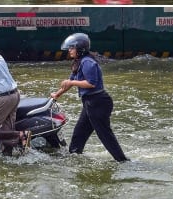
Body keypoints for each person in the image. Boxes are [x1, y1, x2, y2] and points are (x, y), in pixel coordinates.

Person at [50, 33, 129, 162]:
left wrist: (71, 83)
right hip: (90, 103)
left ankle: (123, 161)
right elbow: (71, 81)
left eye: (72, 48)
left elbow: (90, 83)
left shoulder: (87, 62)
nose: (69, 50)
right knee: (79, 134)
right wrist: (57, 94)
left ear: (80, 49)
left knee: (105, 135)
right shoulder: (79, 62)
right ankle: (74, 158)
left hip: (98, 102)